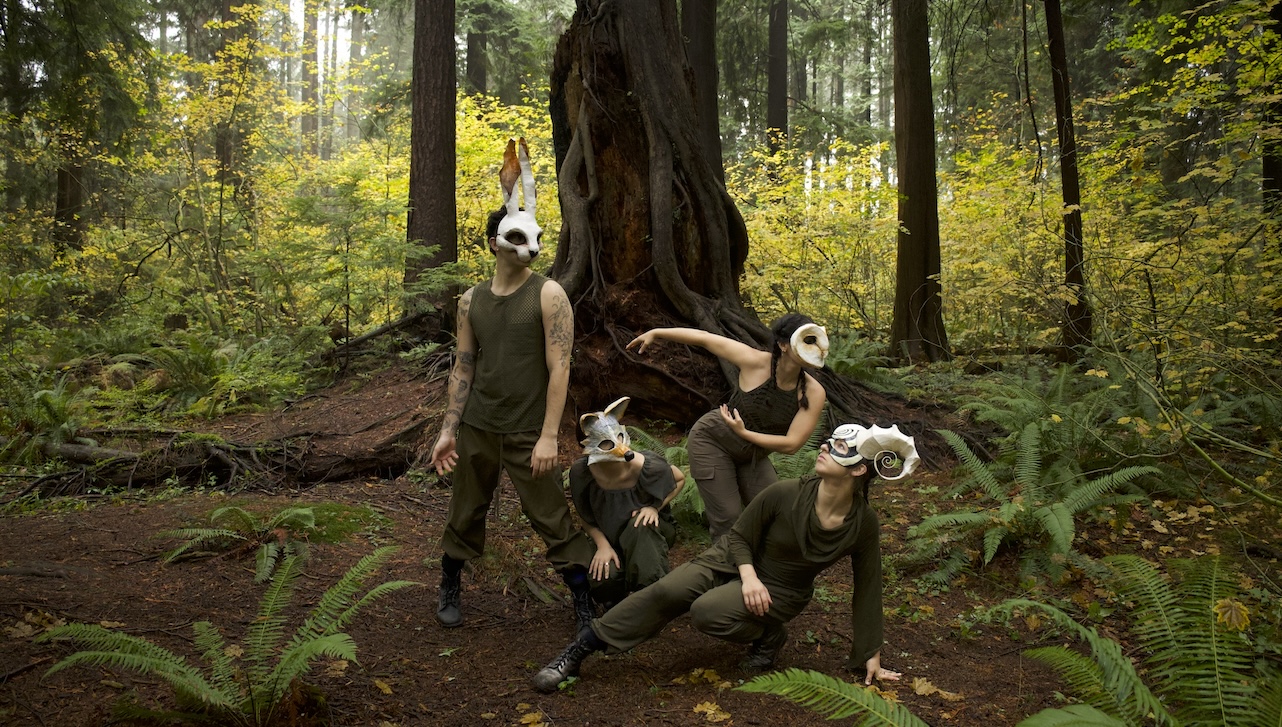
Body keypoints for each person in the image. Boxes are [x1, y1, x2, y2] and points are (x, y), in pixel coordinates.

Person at [530, 423, 921, 693]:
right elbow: (738, 537)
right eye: (828, 441)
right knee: (667, 590)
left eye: (839, 449)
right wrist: (748, 578)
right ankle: (582, 647)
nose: (823, 447)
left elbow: (868, 585)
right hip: (732, 558)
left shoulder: (863, 524)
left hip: (782, 589)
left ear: (859, 471)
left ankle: (770, 634)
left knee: (706, 612)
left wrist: (870, 652)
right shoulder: (785, 493)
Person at [430, 138, 595, 632]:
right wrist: (448, 430)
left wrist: (549, 435)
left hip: (528, 429)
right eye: (520, 240)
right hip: (480, 424)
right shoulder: (470, 301)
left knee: (550, 517)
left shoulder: (549, 294)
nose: (533, 249)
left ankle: (584, 601)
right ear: (495, 242)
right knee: (465, 510)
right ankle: (450, 582)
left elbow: (561, 368)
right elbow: (463, 367)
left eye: (535, 239)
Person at [627, 315, 830, 538]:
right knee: (728, 518)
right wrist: (657, 332)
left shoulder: (813, 392)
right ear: (783, 345)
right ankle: (727, 571)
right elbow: (705, 338)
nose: (813, 346)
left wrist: (745, 433)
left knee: (773, 513)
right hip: (713, 440)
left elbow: (792, 445)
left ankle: (766, 569)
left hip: (752, 452)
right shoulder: (754, 361)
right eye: (807, 340)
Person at [569, 397, 686, 608]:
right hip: (611, 536)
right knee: (603, 578)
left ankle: (651, 598)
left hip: (648, 533)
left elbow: (679, 478)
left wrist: (654, 507)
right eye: (606, 442)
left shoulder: (645, 465)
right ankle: (618, 598)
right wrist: (602, 545)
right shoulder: (581, 474)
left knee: (639, 526)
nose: (620, 447)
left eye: (619, 437)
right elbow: (585, 517)